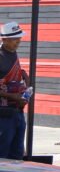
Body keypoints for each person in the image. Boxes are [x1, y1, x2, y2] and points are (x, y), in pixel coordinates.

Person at [0, 22, 28, 161]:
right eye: (14, 39)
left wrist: (24, 76)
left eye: (19, 38)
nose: (18, 41)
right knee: (3, 154)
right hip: (3, 114)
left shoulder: (13, 53)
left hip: (17, 111)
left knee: (17, 154)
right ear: (4, 39)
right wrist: (13, 96)